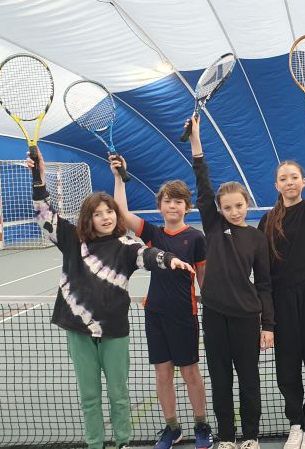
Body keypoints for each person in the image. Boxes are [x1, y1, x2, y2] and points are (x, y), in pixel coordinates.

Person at [26, 148, 194, 449]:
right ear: (87, 218)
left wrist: (170, 260)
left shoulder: (126, 245)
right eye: (97, 213)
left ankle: (123, 443)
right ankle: (94, 444)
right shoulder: (71, 239)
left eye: (109, 212)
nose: (105, 217)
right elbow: (43, 212)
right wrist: (37, 178)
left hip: (114, 332)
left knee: (119, 394)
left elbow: (149, 254)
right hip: (78, 330)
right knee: (89, 395)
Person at [110, 156, 212, 449]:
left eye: (178, 201)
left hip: (184, 314)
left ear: (186, 207)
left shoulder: (196, 238)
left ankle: (201, 425)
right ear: (160, 206)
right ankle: (172, 428)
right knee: (163, 373)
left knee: (190, 372)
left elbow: (203, 278)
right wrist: (119, 178)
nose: (172, 205)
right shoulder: (152, 234)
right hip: (154, 313)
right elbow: (120, 213)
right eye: (167, 200)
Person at [188, 115, 274, 449]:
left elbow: (265, 284)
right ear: (220, 210)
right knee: (221, 381)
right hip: (214, 317)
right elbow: (203, 185)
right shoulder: (212, 226)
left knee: (249, 381)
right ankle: (226, 436)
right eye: (228, 207)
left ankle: (250, 435)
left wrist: (268, 324)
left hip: (246, 319)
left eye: (239, 206)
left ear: (247, 204)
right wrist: (196, 142)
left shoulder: (256, 238)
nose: (234, 211)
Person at [258, 115, 305, 449]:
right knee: (286, 369)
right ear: (276, 185)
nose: (289, 183)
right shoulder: (267, 221)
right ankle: (296, 424)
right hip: (281, 302)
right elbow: (260, 269)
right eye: (283, 179)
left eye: (294, 178)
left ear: (303, 182)